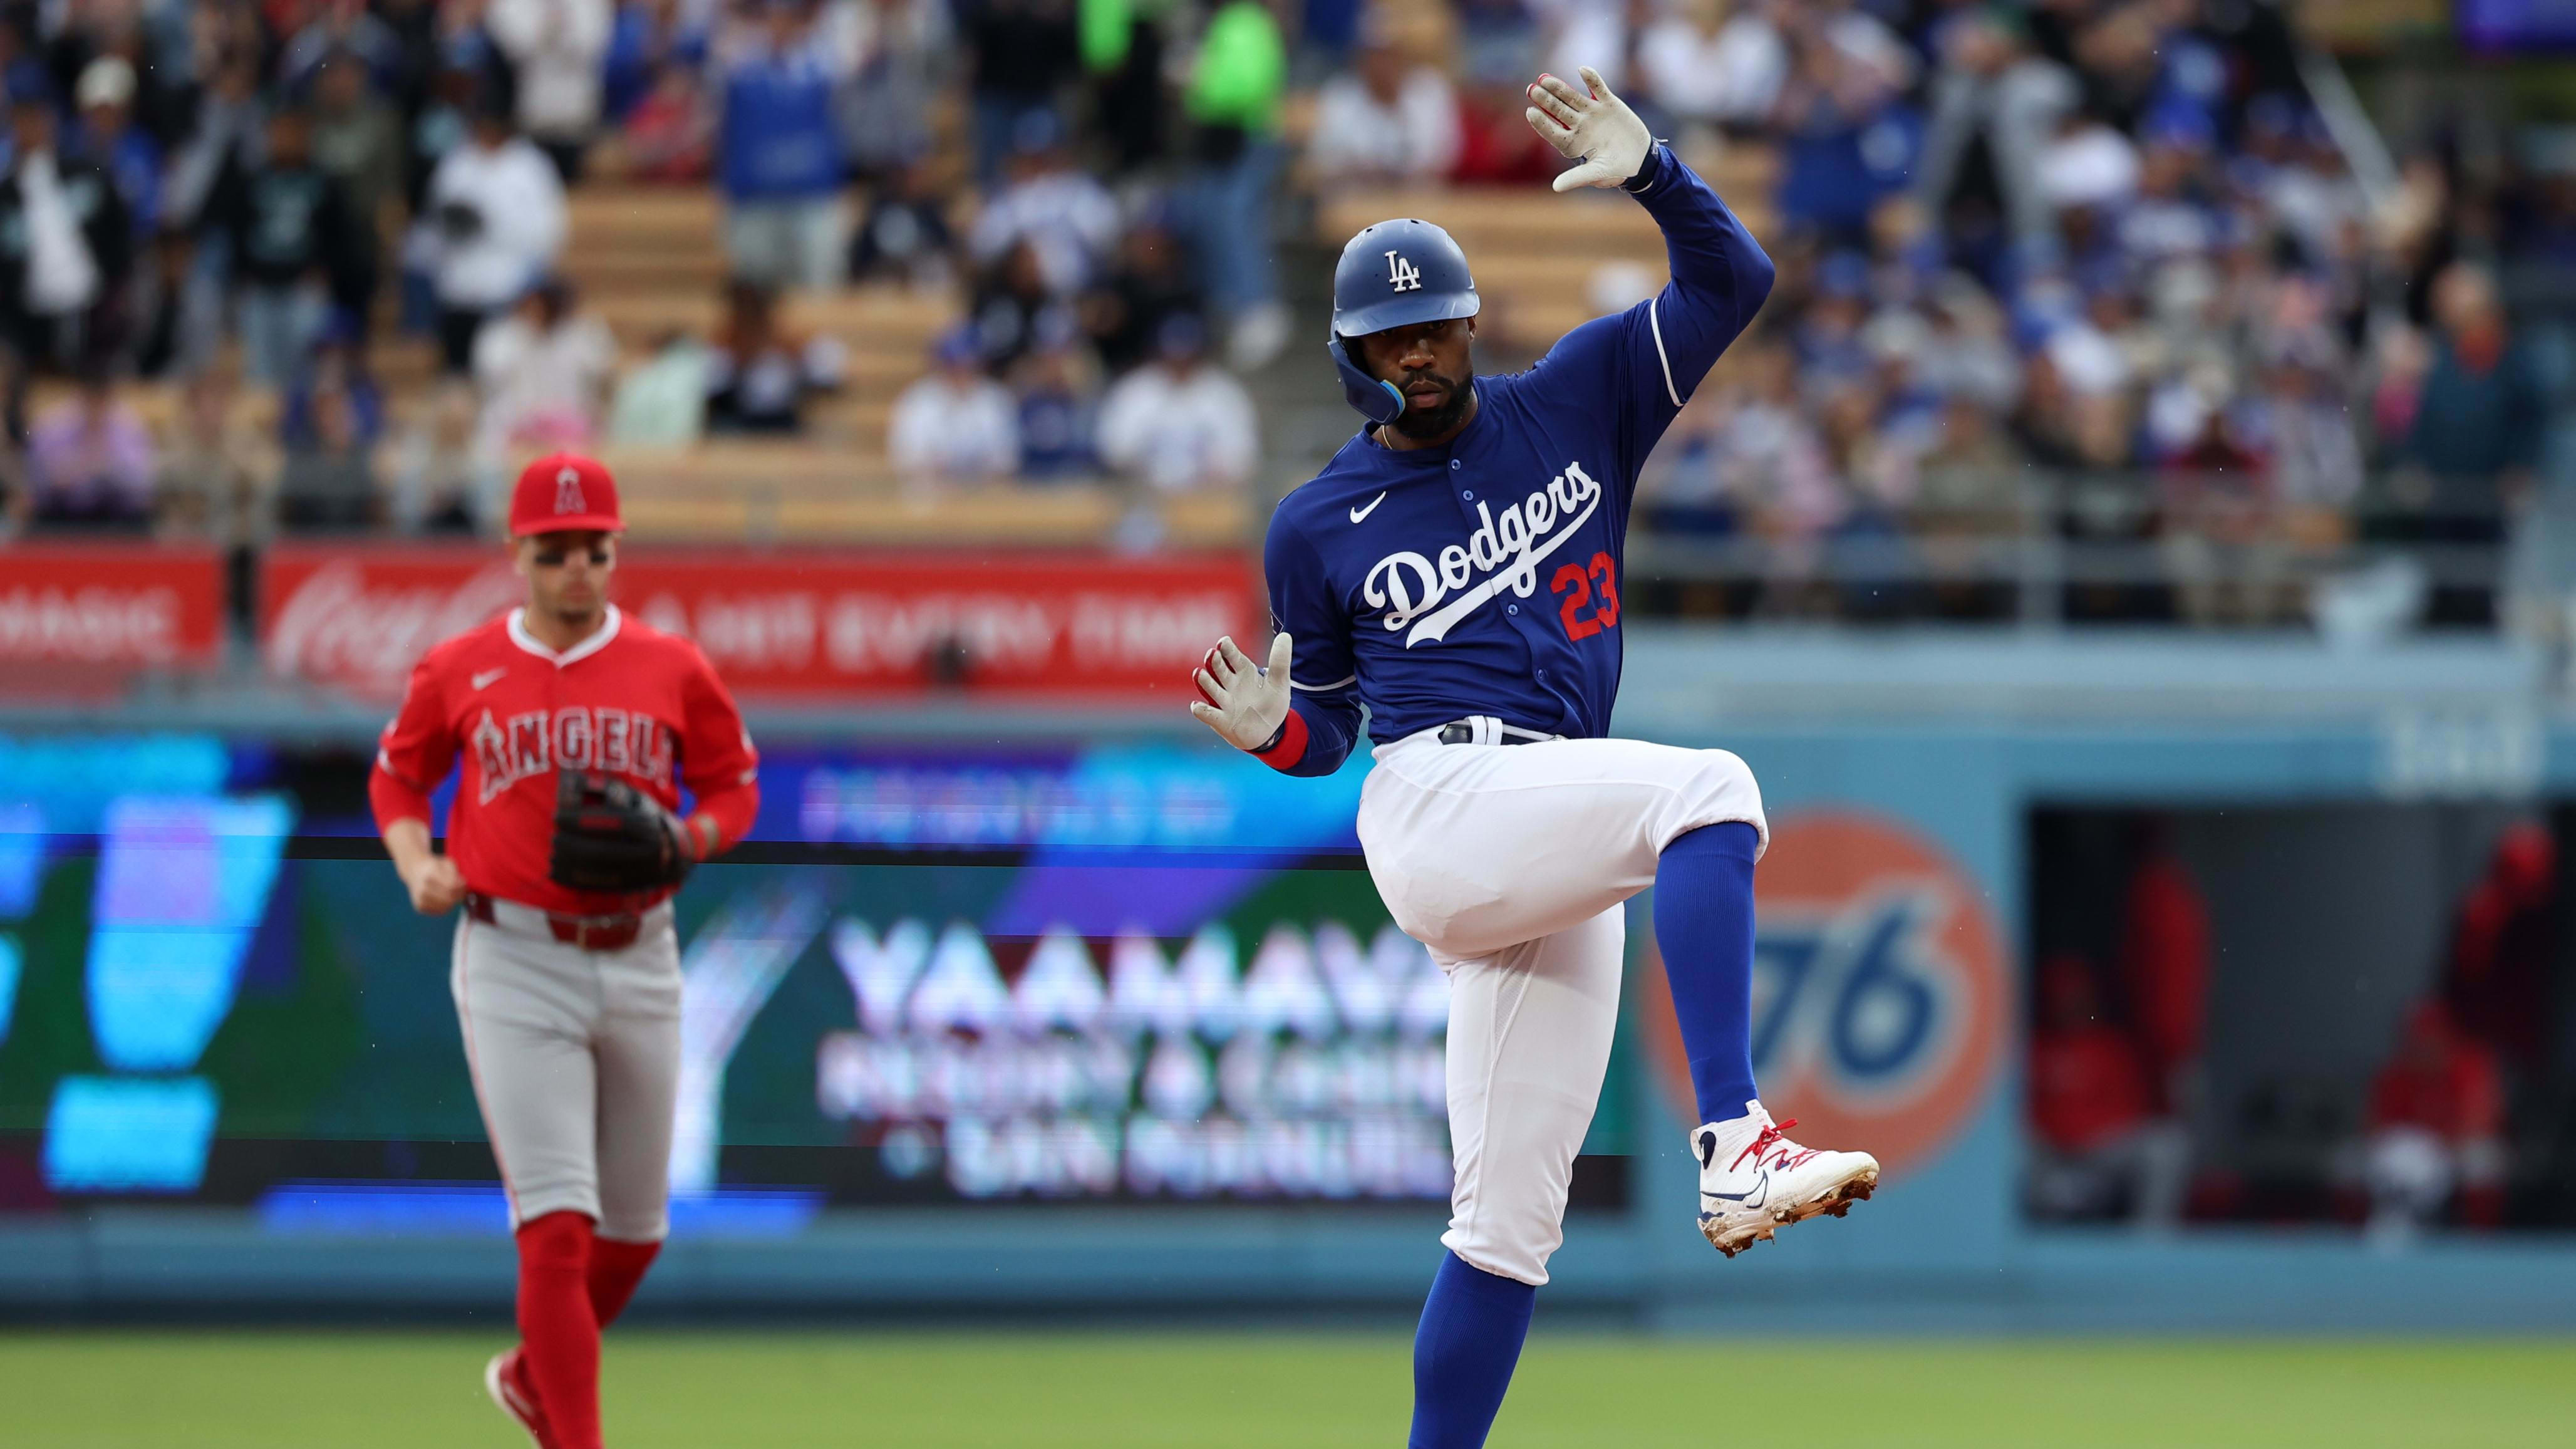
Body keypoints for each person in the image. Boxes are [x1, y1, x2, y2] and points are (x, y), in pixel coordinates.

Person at [1184, 71, 1873, 1449]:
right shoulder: (1317, 521)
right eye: (1390, 342)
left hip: (1542, 824)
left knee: (1505, 1227)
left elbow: (1733, 281)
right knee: (1711, 790)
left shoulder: (1573, 398)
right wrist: (1276, 732)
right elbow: (1328, 733)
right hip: (1438, 802)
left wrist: (1656, 173)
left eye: (1434, 327)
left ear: (1469, 322)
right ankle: (1734, 1138)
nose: (1419, 356)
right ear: (1348, 357)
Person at [370, 453, 759, 1449]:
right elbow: (399, 780)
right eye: (555, 552)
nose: (576, 569)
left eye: (594, 550)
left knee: (634, 1236)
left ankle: (530, 1375)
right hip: (514, 955)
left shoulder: (674, 666)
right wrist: (417, 860)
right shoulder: (460, 666)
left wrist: (691, 838)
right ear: (517, 555)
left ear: (616, 551)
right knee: (555, 1229)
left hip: (641, 949)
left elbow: (732, 787)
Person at [420, 100, 569, 373]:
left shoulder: (530, 165)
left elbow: (551, 227)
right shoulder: (457, 163)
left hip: (511, 281)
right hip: (461, 279)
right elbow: (437, 218)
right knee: (459, 368)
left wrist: (494, 223)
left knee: (503, 363)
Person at [715, 0, 849, 293]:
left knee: (819, 285)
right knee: (756, 287)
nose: (781, 26)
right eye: (773, 18)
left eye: (789, 18)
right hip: (755, 200)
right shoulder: (738, 69)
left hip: (811, 197)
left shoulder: (825, 67)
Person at [1095, 314, 1258, 495]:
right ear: (1158, 353)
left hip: (1206, 498)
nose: (1180, 363)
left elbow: (1242, 457)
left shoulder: (1224, 393)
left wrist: (1212, 476)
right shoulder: (1135, 391)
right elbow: (1113, 451)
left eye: (1187, 356)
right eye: (1172, 355)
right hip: (1145, 498)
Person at [887, 325, 1018, 485]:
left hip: (984, 496)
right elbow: (907, 461)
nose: (961, 374)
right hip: (929, 497)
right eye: (954, 366)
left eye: (968, 367)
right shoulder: (918, 401)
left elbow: (1006, 462)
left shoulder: (995, 400)